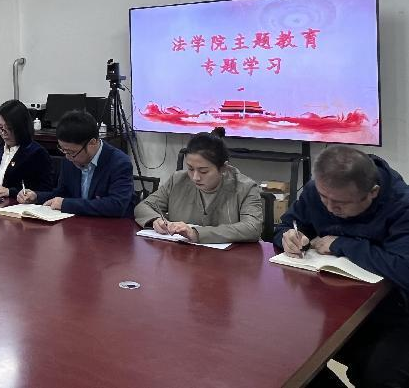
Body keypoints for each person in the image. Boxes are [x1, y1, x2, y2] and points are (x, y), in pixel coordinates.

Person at [274, 145, 409, 388]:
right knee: (291, 359)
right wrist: (288, 236)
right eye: (324, 198)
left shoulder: (401, 204)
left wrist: (341, 244)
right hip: (332, 304)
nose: (329, 208)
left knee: (381, 377)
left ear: (373, 192)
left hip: (392, 312)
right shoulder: (320, 189)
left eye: (340, 204)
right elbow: (287, 225)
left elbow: (403, 268)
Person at [134, 128, 263, 243]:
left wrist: (196, 233)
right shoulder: (178, 180)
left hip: (230, 258)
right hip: (183, 256)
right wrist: (156, 220)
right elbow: (145, 206)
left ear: (223, 168)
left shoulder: (245, 188)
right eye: (190, 168)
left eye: (203, 171)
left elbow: (252, 228)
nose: (195, 177)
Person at [17, 110, 133, 217]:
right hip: (76, 225)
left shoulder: (119, 162)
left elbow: (116, 205)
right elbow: (62, 193)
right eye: (63, 150)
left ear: (92, 143)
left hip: (110, 228)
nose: (67, 157)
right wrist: (36, 197)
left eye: (71, 152)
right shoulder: (69, 158)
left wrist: (66, 204)